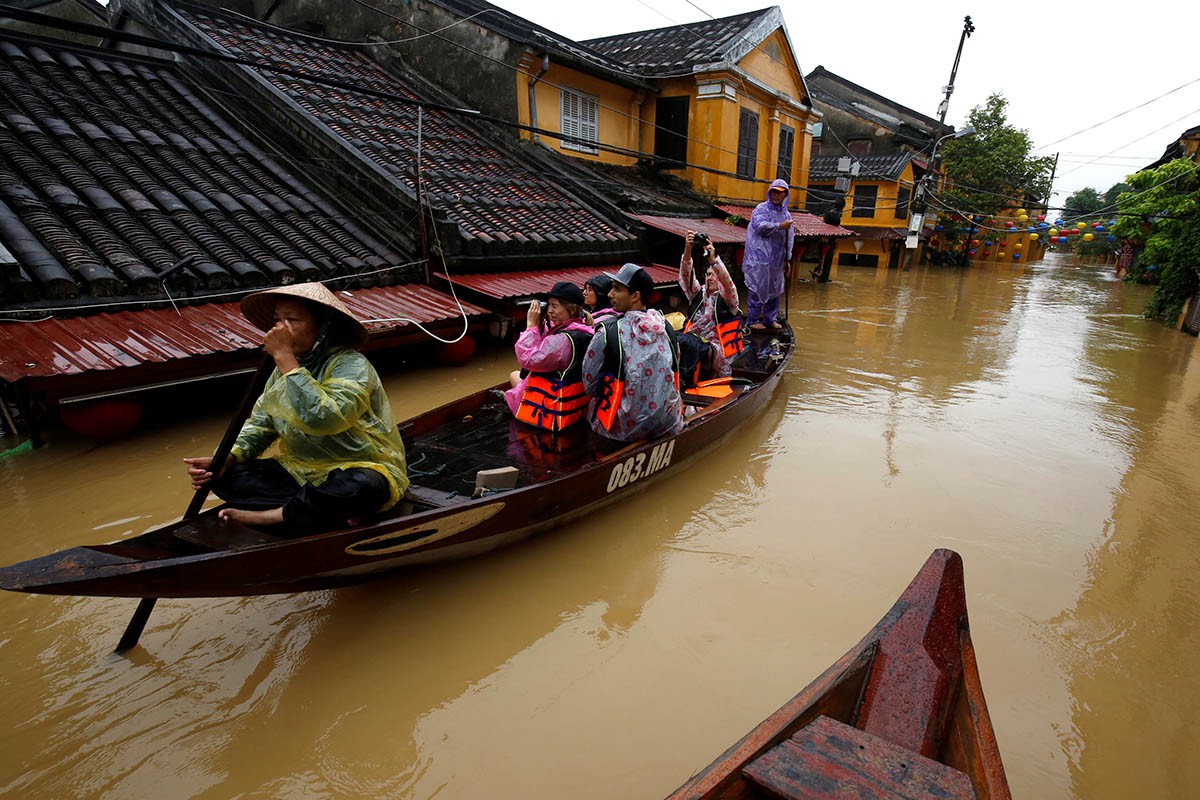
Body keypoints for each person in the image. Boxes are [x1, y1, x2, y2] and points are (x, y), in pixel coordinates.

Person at [184, 283, 408, 532]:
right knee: (224, 477)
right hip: (299, 470)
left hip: (357, 466)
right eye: (277, 320)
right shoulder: (281, 371)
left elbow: (324, 419)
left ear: (323, 327)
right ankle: (323, 509)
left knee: (362, 487)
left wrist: (285, 358)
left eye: (292, 319)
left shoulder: (350, 364)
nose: (280, 328)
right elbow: (261, 423)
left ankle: (276, 515)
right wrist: (228, 456)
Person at [582, 263, 683, 442]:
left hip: (622, 429)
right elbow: (676, 363)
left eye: (617, 289)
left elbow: (589, 384)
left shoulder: (607, 332)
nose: (610, 294)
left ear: (635, 296)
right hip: (667, 421)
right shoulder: (665, 327)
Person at [506, 281, 596, 432]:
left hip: (551, 409)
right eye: (549, 306)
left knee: (514, 375)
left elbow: (528, 359)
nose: (550, 311)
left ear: (572, 309)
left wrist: (531, 326)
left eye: (554, 306)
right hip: (574, 404)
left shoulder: (562, 340)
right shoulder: (585, 329)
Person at [679, 231, 742, 378]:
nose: (711, 278)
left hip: (716, 349)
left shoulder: (728, 298)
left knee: (691, 346)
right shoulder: (697, 294)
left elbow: (728, 283)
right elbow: (686, 274)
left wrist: (713, 260)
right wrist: (688, 249)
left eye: (714, 274)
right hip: (692, 341)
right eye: (708, 275)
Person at [743, 178, 795, 331]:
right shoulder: (761, 209)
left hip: (776, 261)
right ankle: (752, 320)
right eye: (773, 192)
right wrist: (779, 226)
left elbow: (789, 239)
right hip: (759, 259)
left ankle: (770, 319)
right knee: (757, 288)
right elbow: (759, 226)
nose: (776, 196)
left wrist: (787, 259)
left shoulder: (787, 216)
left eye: (780, 193)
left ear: (785, 195)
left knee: (775, 289)